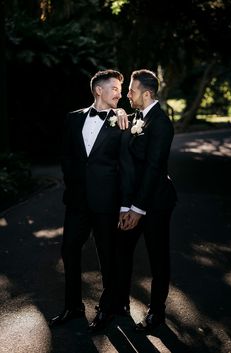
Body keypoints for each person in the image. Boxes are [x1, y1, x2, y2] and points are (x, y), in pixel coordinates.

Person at [49, 69, 134, 331]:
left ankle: (107, 308)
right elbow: (66, 155)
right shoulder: (73, 119)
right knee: (69, 251)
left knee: (108, 256)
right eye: (115, 89)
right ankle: (73, 307)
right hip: (76, 202)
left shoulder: (123, 121)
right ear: (99, 90)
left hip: (106, 203)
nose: (121, 95)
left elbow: (126, 166)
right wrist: (71, 181)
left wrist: (125, 203)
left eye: (121, 91)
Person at [116, 69, 177, 332]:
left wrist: (137, 210)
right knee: (122, 251)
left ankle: (157, 312)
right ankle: (120, 302)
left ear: (147, 93)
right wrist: (125, 206)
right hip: (132, 203)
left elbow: (153, 169)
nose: (127, 94)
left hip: (156, 203)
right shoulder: (135, 117)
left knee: (158, 257)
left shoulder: (161, 124)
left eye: (131, 90)